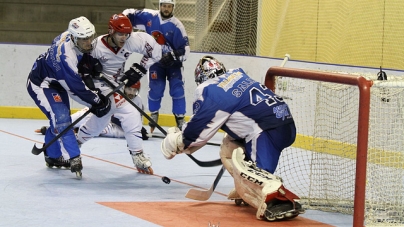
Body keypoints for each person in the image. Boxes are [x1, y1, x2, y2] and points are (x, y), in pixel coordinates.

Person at [160, 56, 305, 221]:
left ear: (201, 78)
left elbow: (197, 133)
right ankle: (248, 190)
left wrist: (176, 142)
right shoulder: (236, 75)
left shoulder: (209, 89)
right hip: (285, 124)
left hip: (265, 132)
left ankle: (276, 199)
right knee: (228, 147)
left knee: (243, 162)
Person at [75, 14, 162, 175]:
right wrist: (89, 76)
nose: (124, 38)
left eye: (126, 34)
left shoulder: (134, 40)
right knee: (117, 112)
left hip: (115, 85)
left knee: (126, 114)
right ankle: (75, 143)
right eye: (120, 34)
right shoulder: (95, 47)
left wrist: (140, 68)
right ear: (110, 31)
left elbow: (156, 52)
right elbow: (83, 71)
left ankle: (137, 154)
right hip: (98, 85)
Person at [26, 16, 111, 176]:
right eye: (84, 39)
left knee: (58, 121)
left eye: (90, 37)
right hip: (42, 84)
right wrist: (97, 101)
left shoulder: (70, 37)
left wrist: (89, 65)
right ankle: (74, 157)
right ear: (74, 38)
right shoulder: (66, 57)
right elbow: (76, 90)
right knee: (62, 119)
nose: (89, 42)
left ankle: (52, 156)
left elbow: (82, 62)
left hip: (57, 82)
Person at [123, 0, 190, 133]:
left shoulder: (177, 26)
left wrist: (171, 56)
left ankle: (180, 120)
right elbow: (129, 13)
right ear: (160, 6)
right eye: (164, 6)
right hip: (155, 62)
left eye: (169, 7)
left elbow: (186, 50)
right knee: (156, 89)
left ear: (173, 8)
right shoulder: (150, 16)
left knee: (177, 89)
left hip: (174, 64)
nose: (166, 9)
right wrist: (122, 23)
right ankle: (153, 114)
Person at [35, 81, 149, 140]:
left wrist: (138, 129)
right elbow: (114, 116)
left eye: (135, 90)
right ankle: (53, 129)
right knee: (83, 115)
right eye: (129, 89)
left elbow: (137, 120)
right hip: (106, 117)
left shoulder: (138, 101)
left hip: (117, 128)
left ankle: (77, 130)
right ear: (124, 88)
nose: (132, 93)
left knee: (103, 131)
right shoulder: (117, 96)